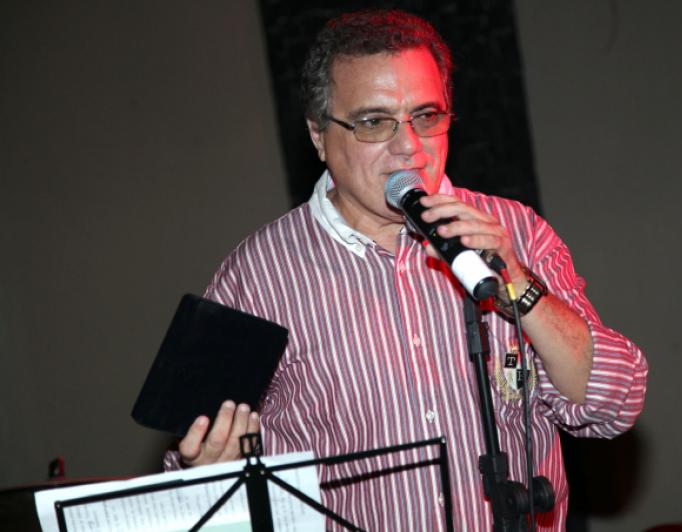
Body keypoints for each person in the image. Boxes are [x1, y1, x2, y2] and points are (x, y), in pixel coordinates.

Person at [164, 8, 648, 531]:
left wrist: (518, 284)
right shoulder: (257, 274)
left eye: (426, 116)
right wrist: (207, 467)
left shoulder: (516, 232)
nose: (409, 147)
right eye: (375, 122)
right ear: (318, 135)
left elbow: (613, 406)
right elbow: (194, 473)